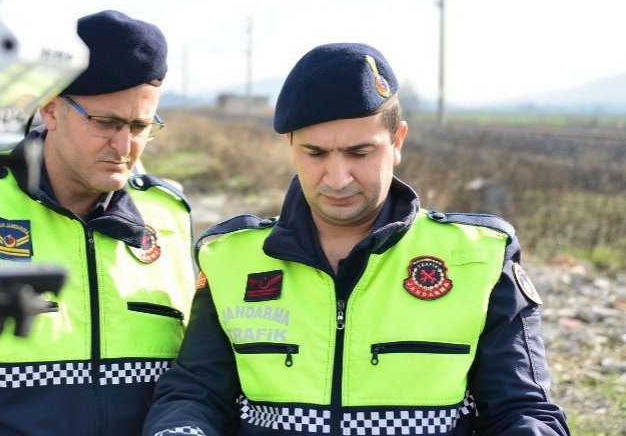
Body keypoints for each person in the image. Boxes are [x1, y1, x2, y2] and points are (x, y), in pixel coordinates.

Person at [143, 43, 570, 436]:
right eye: (316, 153)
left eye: (359, 153)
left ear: (397, 141)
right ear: (291, 145)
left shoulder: (479, 257)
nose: (338, 178)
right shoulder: (230, 258)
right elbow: (195, 393)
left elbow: (522, 410)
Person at [0, 10, 196, 436]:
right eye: (105, 123)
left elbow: (195, 384)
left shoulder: (170, 215)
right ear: (50, 109)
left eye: (140, 126)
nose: (124, 146)